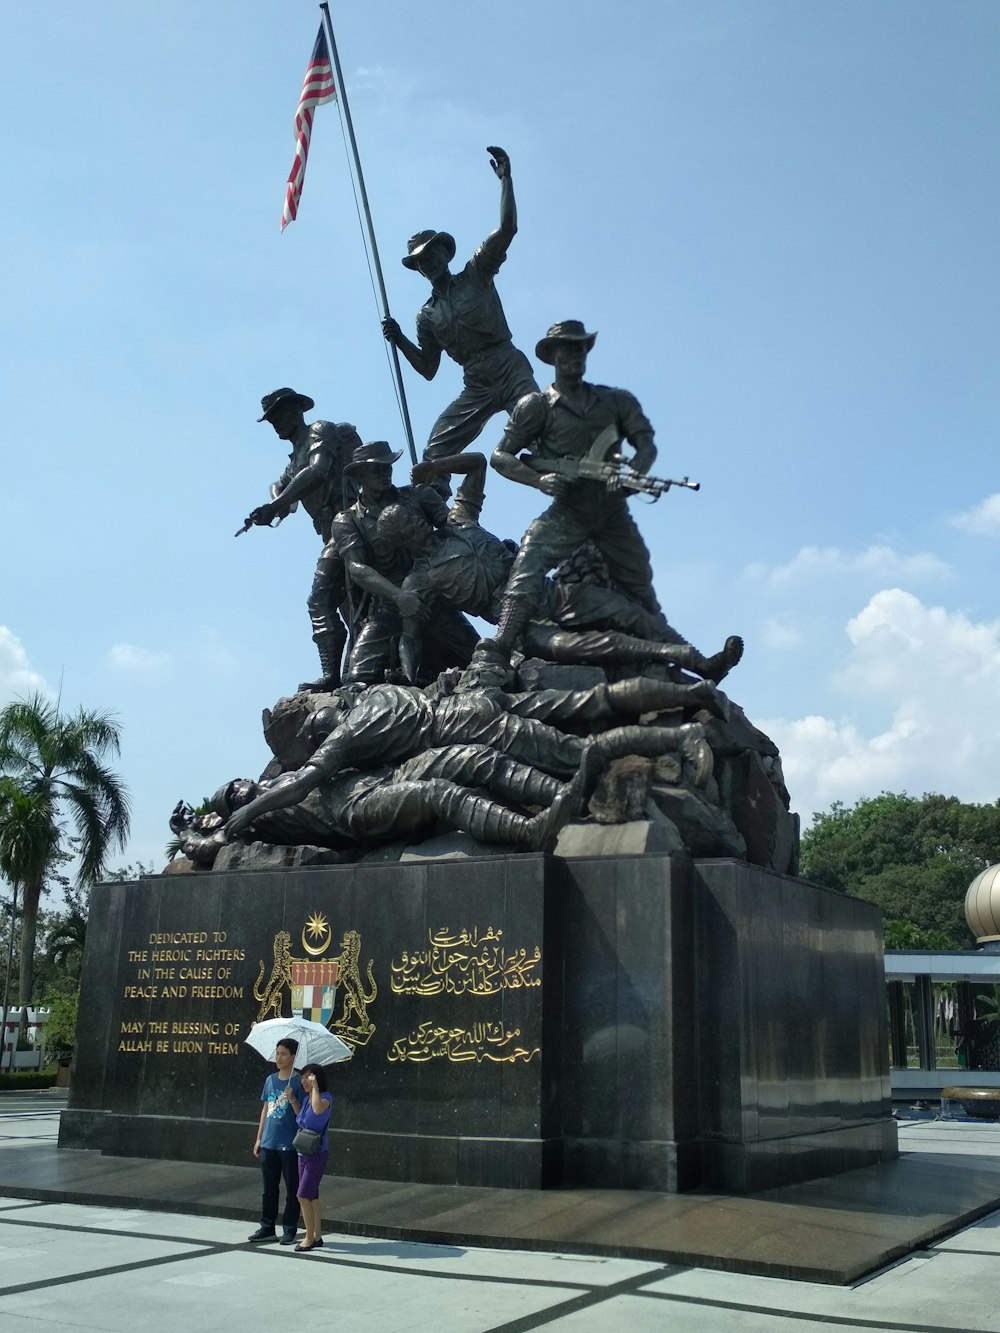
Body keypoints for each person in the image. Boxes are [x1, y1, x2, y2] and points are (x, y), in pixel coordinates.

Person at [380, 453, 743, 685]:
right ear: (401, 541)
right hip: (520, 627)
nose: (416, 524)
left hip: (549, 593)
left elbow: (477, 464)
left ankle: (704, 664)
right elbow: (411, 633)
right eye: (406, 528)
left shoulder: (461, 520)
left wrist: (435, 467)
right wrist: (411, 679)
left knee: (628, 612)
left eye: (413, 518)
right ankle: (679, 668)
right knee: (602, 645)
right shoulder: (420, 581)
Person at [491, 320, 669, 652]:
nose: (575, 354)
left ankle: (669, 652)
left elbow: (647, 446)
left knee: (640, 580)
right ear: (553, 356)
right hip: (569, 511)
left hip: (611, 510)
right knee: (528, 563)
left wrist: (634, 477)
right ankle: (501, 643)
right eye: (568, 348)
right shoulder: (536, 406)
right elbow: (500, 456)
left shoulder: (616, 401)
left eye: (580, 348)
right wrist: (539, 480)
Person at [381, 147, 538, 464]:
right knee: (433, 456)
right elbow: (428, 369)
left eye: (431, 255)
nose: (428, 263)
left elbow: (507, 229)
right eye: (421, 261)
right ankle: (451, 511)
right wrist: (399, 340)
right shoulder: (427, 315)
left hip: (507, 365)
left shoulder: (476, 274)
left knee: (539, 431)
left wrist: (506, 180)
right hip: (476, 383)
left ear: (444, 253)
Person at [238, 388, 362, 690]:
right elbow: (280, 485)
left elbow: (317, 471)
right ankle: (355, 669)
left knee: (319, 600)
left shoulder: (319, 431)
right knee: (347, 606)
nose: (276, 423)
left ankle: (333, 675)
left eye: (280, 414)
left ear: (297, 410)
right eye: (271, 419)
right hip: (329, 532)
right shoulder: (293, 460)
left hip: (350, 521)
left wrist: (277, 505)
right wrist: (273, 505)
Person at [330, 441, 478, 683]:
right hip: (389, 609)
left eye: (387, 467)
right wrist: (399, 597)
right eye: (375, 469)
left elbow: (455, 531)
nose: (384, 473)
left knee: (482, 657)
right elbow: (357, 568)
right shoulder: (348, 520)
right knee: (356, 679)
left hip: (435, 602)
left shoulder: (419, 495)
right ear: (359, 476)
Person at [248, 1037, 303, 1246]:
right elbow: (265, 1109)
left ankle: (289, 1229)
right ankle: (267, 1227)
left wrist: (292, 1099)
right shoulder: (270, 1080)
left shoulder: (299, 1082)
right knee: (268, 1188)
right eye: (277, 1053)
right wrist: (259, 1137)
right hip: (269, 1143)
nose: (279, 1057)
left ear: (293, 1057)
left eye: (283, 1054)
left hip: (289, 1144)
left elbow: (302, 1116)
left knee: (292, 1189)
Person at [294, 1063, 333, 1252]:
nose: (304, 1081)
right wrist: (294, 1100)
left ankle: (308, 1237)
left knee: (302, 1195)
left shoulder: (324, 1098)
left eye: (308, 1077)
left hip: (317, 1153)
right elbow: (302, 1120)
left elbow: (318, 1111)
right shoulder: (308, 1099)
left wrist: (315, 1087)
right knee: (312, 1195)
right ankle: (317, 1235)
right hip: (303, 1151)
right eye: (303, 1078)